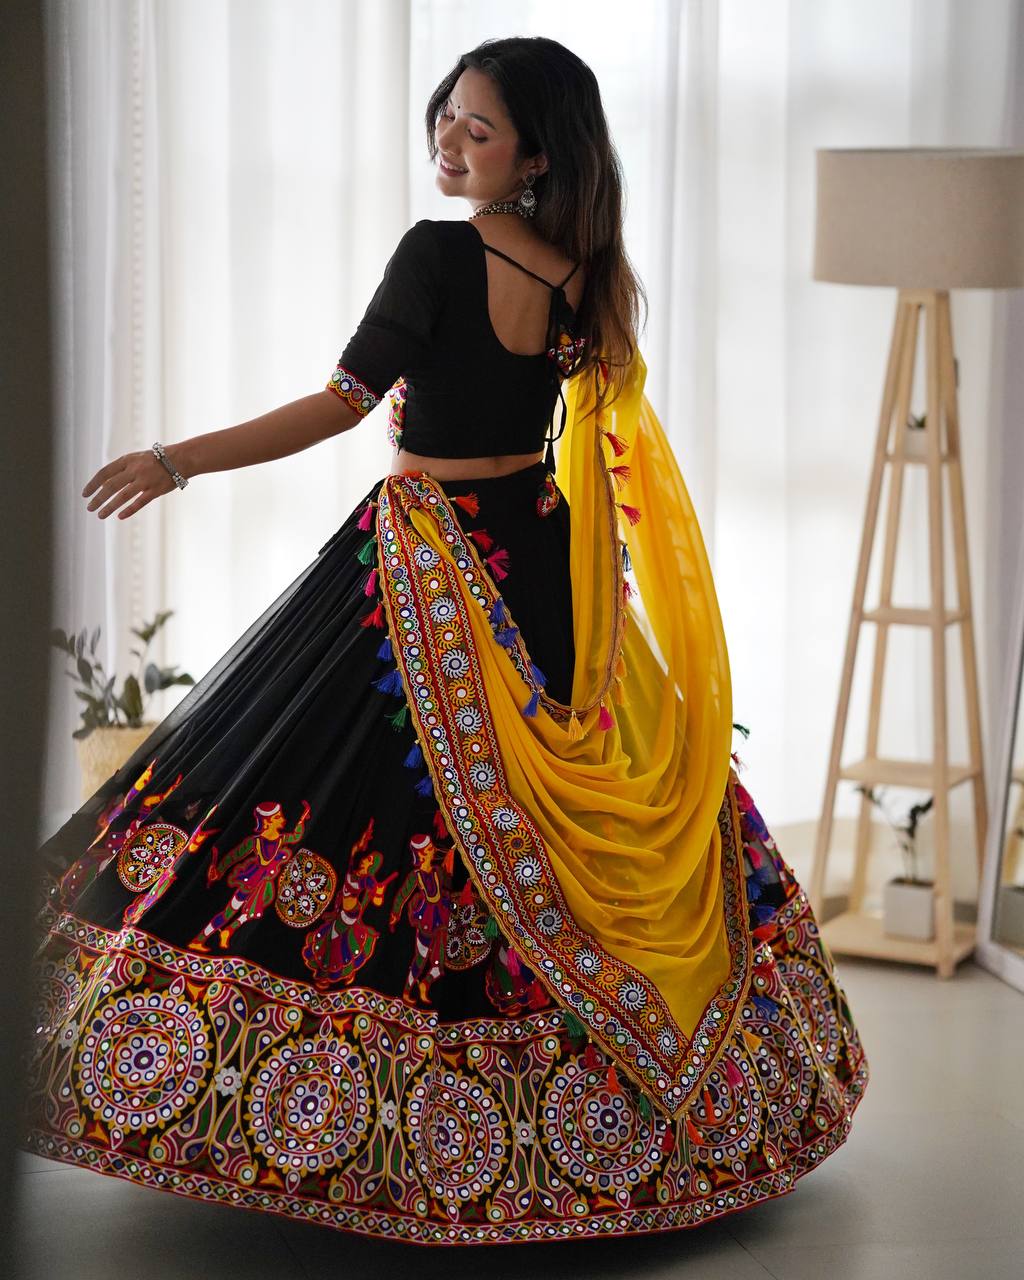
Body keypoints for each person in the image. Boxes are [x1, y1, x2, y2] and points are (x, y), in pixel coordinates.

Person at [20, 36, 868, 1246]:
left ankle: (375, 1122)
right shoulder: (581, 269)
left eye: (477, 129)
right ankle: (577, 1119)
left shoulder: (440, 252)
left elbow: (342, 403)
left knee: (359, 803)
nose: (450, 144)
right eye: (445, 121)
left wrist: (177, 459)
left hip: (426, 554)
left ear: (533, 151)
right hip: (537, 559)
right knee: (518, 824)